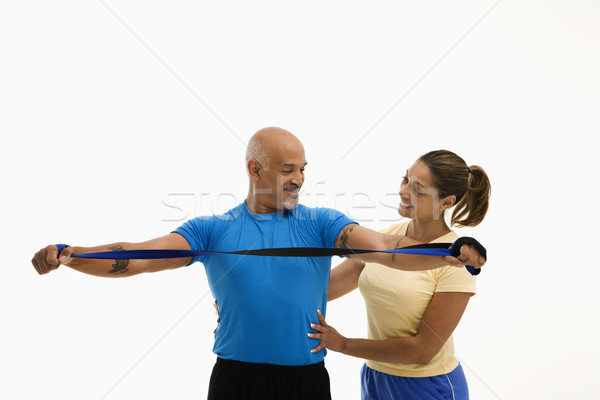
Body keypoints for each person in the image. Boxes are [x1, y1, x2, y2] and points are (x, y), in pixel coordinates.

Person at [31, 129, 486, 400]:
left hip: (306, 382)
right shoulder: (211, 230)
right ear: (255, 169)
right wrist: (71, 255)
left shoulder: (325, 224)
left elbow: (388, 252)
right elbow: (133, 258)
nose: (300, 179)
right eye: (289, 169)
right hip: (234, 380)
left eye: (304, 168)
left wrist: (454, 250)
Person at [307, 149, 491, 400]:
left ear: (447, 202)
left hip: (427, 385)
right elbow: (323, 290)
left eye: (418, 190)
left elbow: (422, 350)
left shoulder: (456, 263)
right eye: (405, 180)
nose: (403, 191)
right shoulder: (388, 237)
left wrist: (343, 344)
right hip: (375, 377)